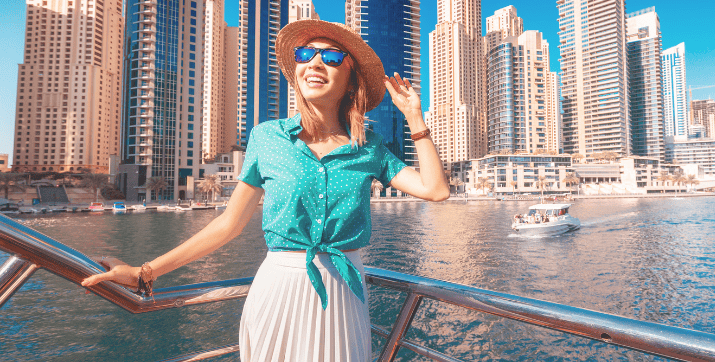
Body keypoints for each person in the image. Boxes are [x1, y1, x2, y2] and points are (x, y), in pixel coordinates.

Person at [81, 20, 449, 362]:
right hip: (279, 288)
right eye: (306, 55)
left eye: (332, 57)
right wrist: (146, 272)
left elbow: (435, 190)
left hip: (343, 292)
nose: (316, 63)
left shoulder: (368, 147)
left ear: (350, 77)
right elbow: (229, 224)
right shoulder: (267, 138)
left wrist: (415, 117)